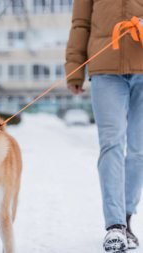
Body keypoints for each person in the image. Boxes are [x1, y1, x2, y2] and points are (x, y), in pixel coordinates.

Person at [65, 1, 143, 252]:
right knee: (111, 144)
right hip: (105, 71)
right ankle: (115, 226)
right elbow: (80, 24)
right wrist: (74, 69)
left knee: (139, 149)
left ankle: (127, 217)